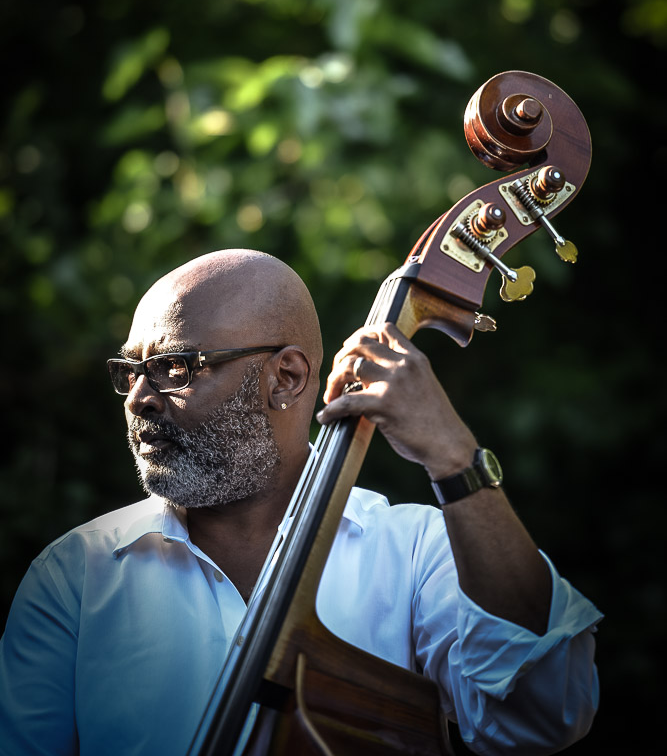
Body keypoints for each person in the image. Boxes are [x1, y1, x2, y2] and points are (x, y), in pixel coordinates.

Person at [0, 249, 601, 756]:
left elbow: (543, 714)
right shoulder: (72, 578)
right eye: (130, 370)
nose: (138, 399)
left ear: (285, 378)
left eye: (174, 367)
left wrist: (454, 458)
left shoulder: (418, 551)